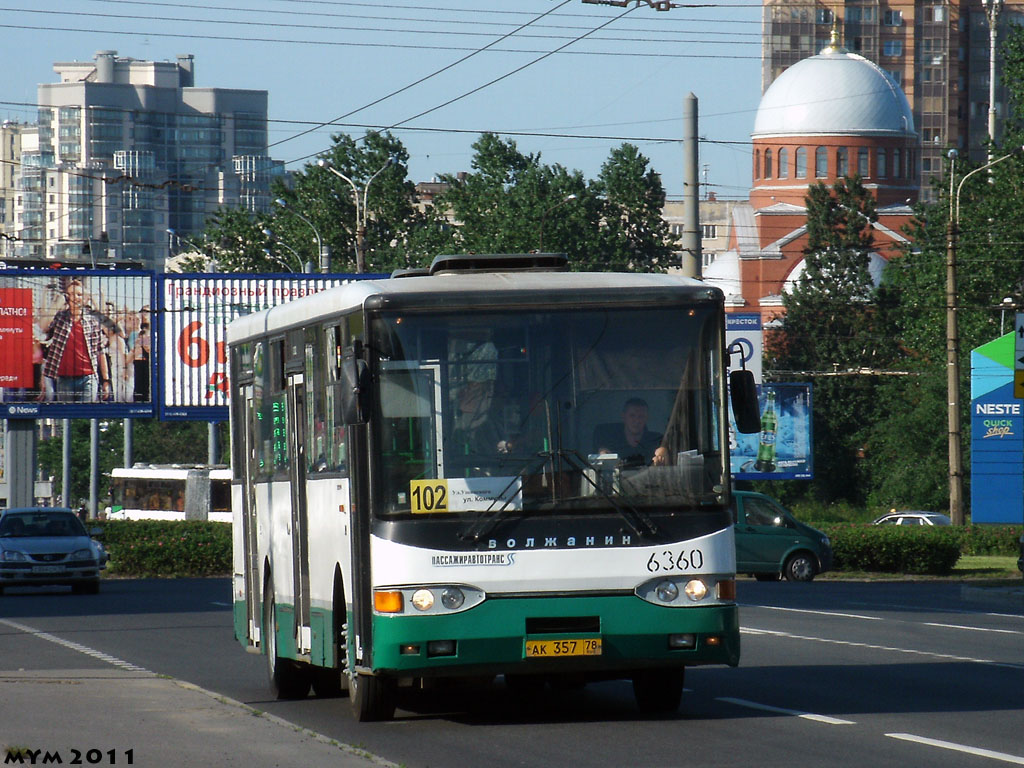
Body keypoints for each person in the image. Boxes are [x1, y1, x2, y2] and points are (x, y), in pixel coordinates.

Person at [41, 277, 112, 403]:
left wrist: (106, 380)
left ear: (85, 298)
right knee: (66, 418)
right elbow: (43, 327)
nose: (75, 297)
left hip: (88, 378)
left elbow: (100, 351)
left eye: (79, 294)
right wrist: (56, 304)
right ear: (67, 297)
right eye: (72, 294)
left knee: (85, 417)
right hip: (64, 378)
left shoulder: (92, 319)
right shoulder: (60, 317)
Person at [594, 397, 668, 466]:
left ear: (647, 418)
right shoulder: (610, 442)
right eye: (632, 416)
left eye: (641, 416)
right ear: (623, 416)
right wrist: (604, 457)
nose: (637, 421)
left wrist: (663, 456)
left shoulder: (657, 441)